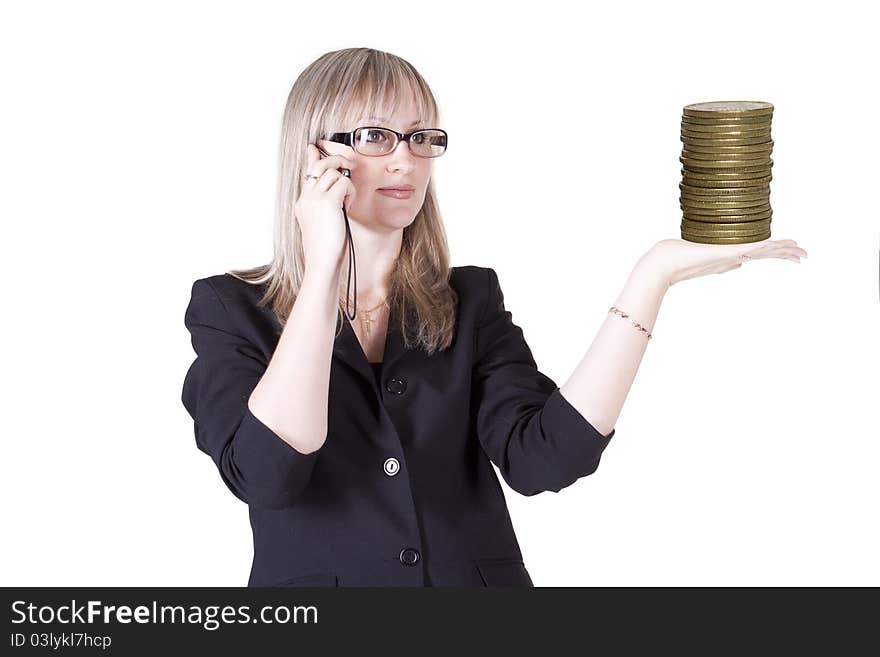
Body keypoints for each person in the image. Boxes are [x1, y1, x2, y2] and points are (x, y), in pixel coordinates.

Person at [181, 47, 807, 587]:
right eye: (376, 136)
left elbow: (546, 458)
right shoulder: (229, 309)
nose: (406, 161)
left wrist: (651, 279)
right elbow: (268, 474)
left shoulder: (470, 300)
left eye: (422, 136)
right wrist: (323, 267)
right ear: (314, 154)